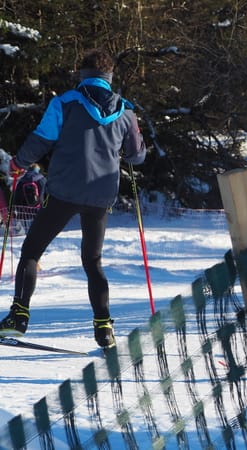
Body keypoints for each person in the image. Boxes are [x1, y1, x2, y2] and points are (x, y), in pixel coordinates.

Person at [0, 48, 147, 349]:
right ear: (109, 77)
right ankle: (103, 326)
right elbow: (137, 155)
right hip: (101, 196)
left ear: (82, 75)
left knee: (31, 251)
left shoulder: (64, 102)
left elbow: (42, 139)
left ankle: (18, 318)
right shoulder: (126, 111)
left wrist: (18, 163)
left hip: (64, 191)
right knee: (93, 261)